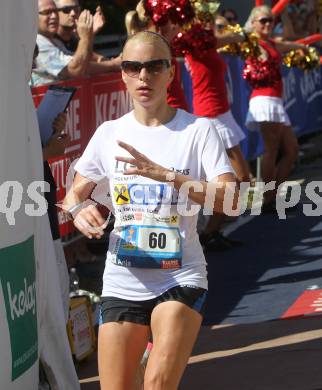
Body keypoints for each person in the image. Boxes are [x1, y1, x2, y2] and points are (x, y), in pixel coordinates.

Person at [63, 30, 236, 389]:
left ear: (171, 72)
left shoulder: (198, 131)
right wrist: (79, 209)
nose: (144, 76)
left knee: (157, 384)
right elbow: (73, 193)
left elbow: (230, 199)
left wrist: (168, 176)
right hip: (123, 278)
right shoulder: (109, 133)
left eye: (155, 66)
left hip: (180, 276)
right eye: (134, 67)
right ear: (123, 73)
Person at [174, 20, 250, 250]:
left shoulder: (207, 43)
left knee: (239, 181)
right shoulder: (194, 44)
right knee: (239, 180)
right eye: (204, 18)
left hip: (222, 114)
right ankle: (207, 232)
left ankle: (211, 231)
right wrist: (243, 34)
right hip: (211, 116)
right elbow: (224, 39)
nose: (208, 22)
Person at [244, 5, 307, 211]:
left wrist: (285, 14)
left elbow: (289, 37)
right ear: (253, 23)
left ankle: (273, 196)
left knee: (291, 150)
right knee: (271, 151)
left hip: (275, 100)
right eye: (263, 20)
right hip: (264, 101)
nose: (268, 24)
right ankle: (270, 199)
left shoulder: (271, 42)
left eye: (270, 21)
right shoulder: (253, 42)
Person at [31, 0, 120, 86]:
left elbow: (82, 62)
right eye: (47, 12)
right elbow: (75, 69)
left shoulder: (54, 42)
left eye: (55, 11)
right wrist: (113, 64)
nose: (54, 16)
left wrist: (89, 35)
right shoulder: (37, 43)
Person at [125, 0, 189, 111]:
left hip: (175, 112)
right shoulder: (156, 46)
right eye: (167, 17)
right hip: (165, 113)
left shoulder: (163, 41)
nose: (170, 23)